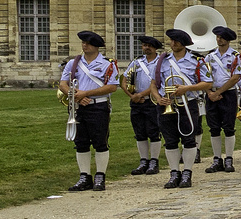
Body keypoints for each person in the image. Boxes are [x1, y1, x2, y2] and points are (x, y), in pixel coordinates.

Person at [60, 30, 120, 191]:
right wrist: (75, 96)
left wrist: (86, 93)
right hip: (78, 106)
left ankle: (100, 176)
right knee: (81, 142)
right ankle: (84, 176)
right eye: (83, 43)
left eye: (88, 43)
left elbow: (112, 86)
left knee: (100, 142)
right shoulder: (73, 63)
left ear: (96, 46)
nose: (84, 45)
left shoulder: (107, 64)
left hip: (98, 106)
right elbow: (63, 84)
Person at [152, 27, 209, 189]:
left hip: (187, 102)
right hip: (167, 104)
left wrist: (186, 88)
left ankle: (187, 172)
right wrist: (158, 98)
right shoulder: (162, 61)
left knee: (189, 139)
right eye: (172, 41)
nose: (173, 43)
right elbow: (153, 84)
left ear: (184, 44)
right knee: (169, 140)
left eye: (176, 41)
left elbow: (207, 82)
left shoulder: (197, 61)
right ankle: (174, 172)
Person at [203, 25, 241, 173]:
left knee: (228, 127)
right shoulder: (210, 56)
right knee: (213, 128)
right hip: (211, 94)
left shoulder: (235, 56)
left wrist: (219, 92)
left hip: (228, 94)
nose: (219, 39)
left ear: (227, 39)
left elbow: (235, 77)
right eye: (217, 37)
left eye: (221, 37)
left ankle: (228, 158)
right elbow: (203, 76)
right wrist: (210, 92)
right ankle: (216, 159)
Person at [122, 35, 164, 176]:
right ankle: (143, 161)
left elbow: (157, 83)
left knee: (154, 132)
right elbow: (124, 80)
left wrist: (141, 95)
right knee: (139, 133)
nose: (146, 48)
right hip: (137, 102)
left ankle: (154, 161)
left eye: (149, 46)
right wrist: (132, 96)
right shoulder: (137, 62)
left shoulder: (161, 62)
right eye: (144, 45)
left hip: (152, 100)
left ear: (155, 48)